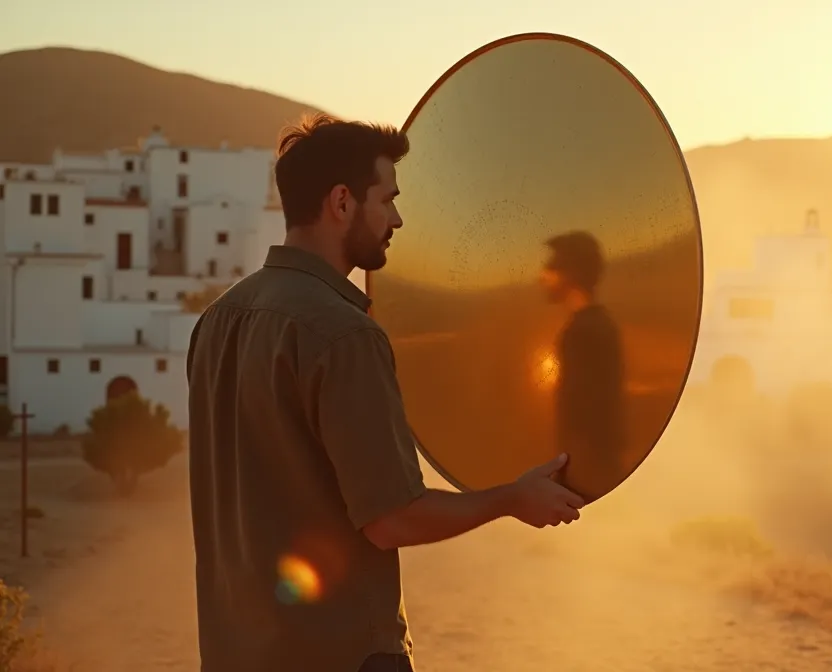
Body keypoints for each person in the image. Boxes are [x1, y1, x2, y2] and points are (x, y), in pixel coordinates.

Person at [186, 113, 585, 672]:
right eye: (388, 199)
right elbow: (392, 518)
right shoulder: (344, 333)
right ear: (343, 203)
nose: (397, 218)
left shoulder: (217, 321)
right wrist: (511, 499)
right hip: (340, 655)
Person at [538, 230, 626, 501]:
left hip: (588, 477)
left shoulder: (584, 332)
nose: (543, 274)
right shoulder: (595, 326)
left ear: (572, 273)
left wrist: (568, 481)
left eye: (553, 265)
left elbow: (587, 417)